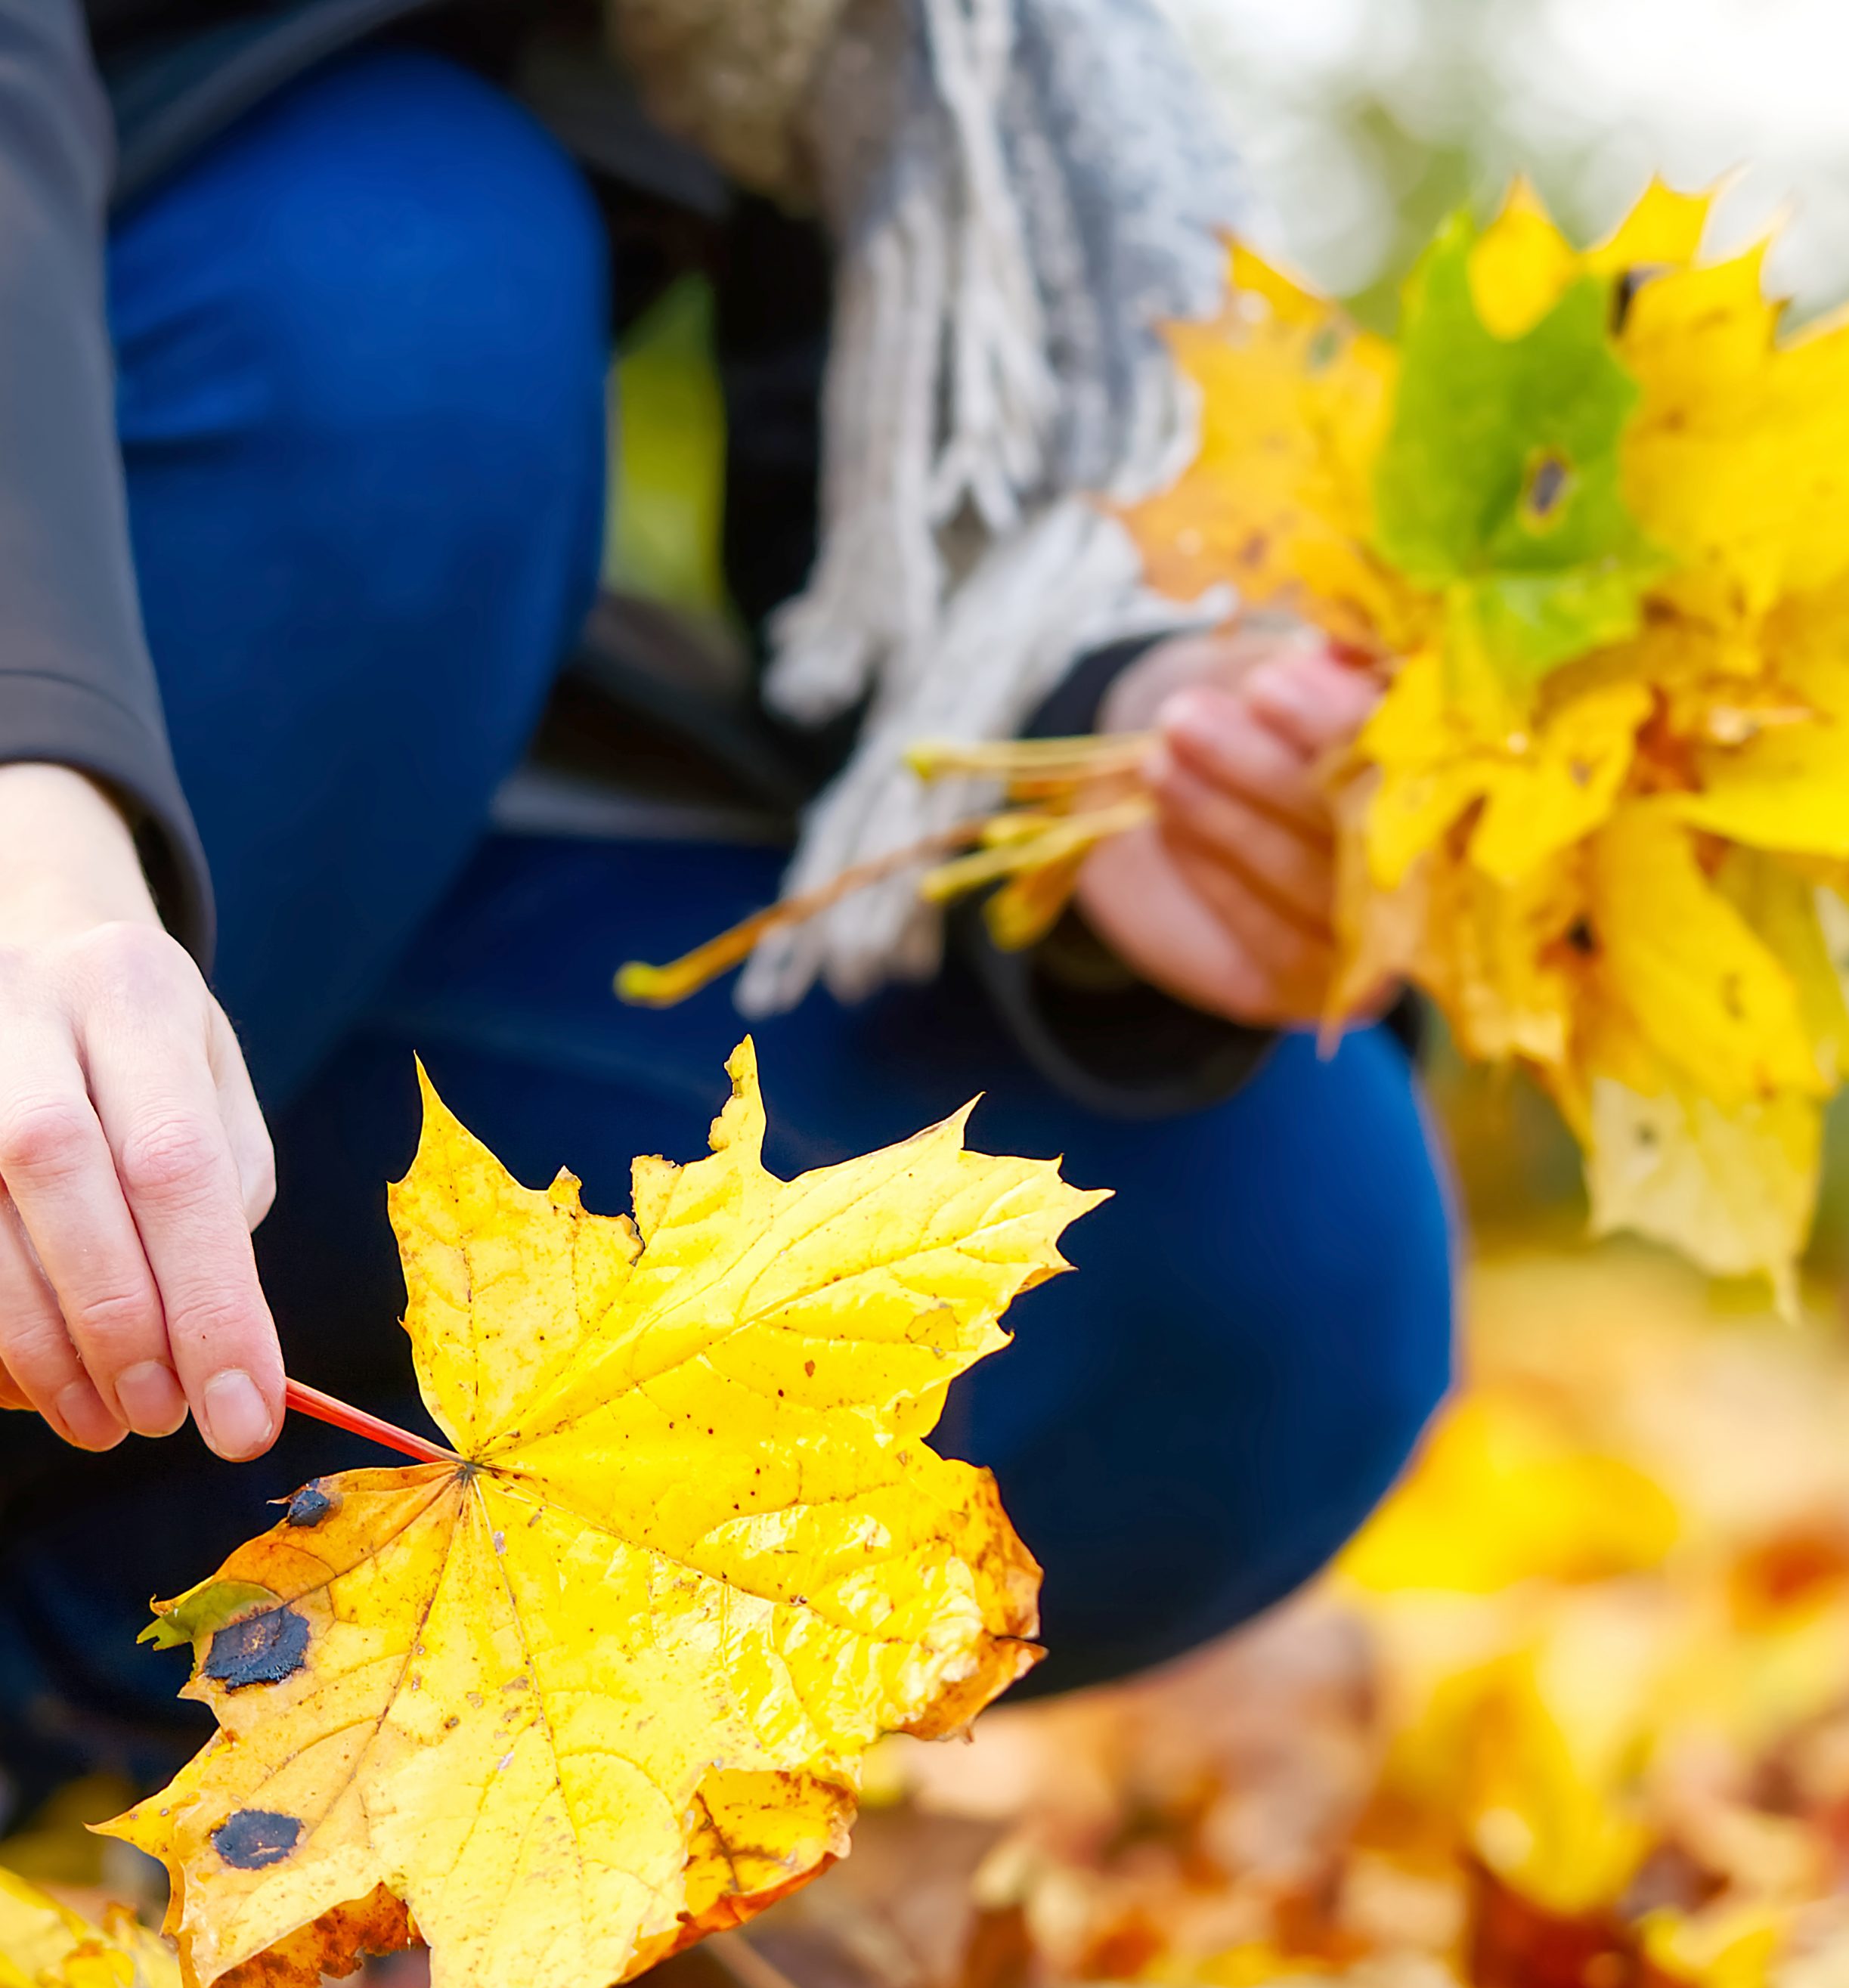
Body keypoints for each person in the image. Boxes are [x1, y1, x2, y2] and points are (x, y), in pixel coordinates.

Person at [0, 0, 1456, 1825]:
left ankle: (120, 1774)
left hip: (268, 854)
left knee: (1262, 1244)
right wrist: (34, 786)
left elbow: (889, 431)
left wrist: (1111, 728)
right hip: (76, 708)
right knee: (403, 278)